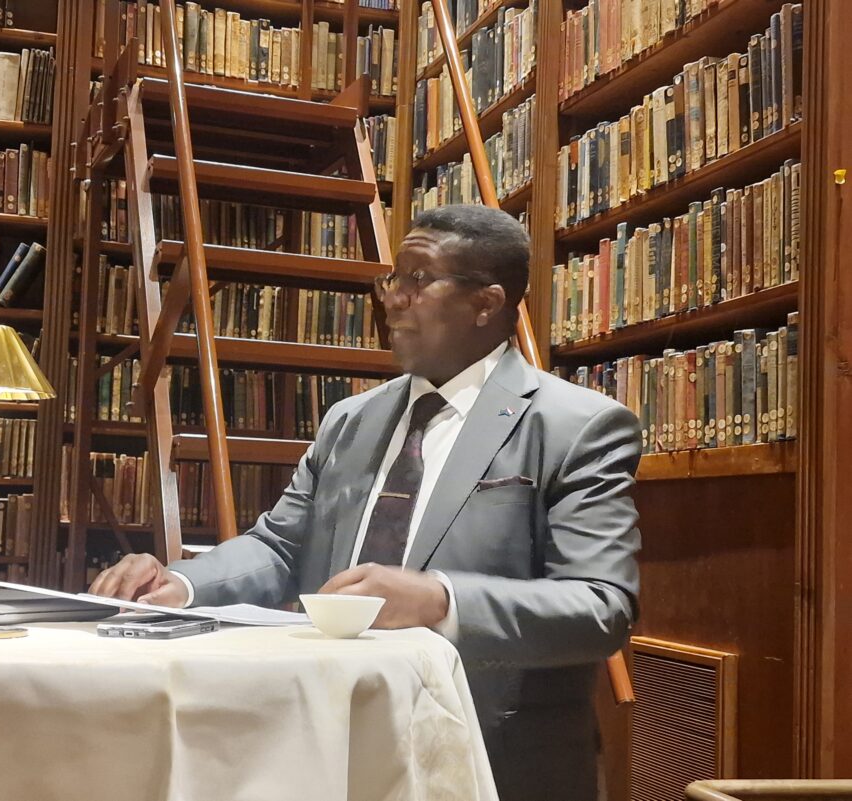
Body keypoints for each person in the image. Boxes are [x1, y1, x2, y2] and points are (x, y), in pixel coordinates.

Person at [90, 204, 642, 801]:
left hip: (490, 753)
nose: (393, 299)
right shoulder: (351, 419)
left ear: (486, 303)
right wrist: (181, 585)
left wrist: (440, 599)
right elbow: (280, 545)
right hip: (326, 739)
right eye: (393, 279)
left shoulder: (577, 426)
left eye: (418, 279)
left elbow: (601, 607)